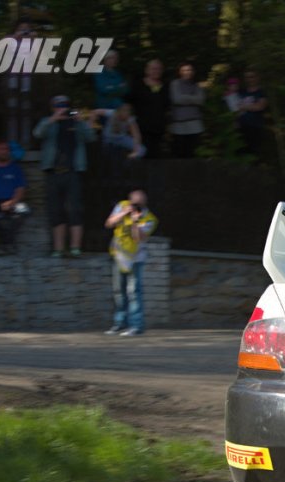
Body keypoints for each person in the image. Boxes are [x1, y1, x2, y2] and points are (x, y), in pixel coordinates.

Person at [33, 94, 96, 258]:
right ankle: (58, 249)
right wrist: (53, 119)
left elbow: (91, 137)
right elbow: (37, 133)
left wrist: (81, 122)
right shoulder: (48, 122)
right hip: (53, 172)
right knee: (56, 210)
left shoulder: (76, 123)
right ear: (52, 108)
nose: (62, 109)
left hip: (73, 172)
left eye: (65, 106)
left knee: (75, 210)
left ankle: (75, 247)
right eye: (58, 106)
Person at [104, 189, 158, 337]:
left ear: (145, 203)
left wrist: (135, 221)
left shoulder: (149, 218)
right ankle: (120, 324)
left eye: (139, 203)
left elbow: (138, 238)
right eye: (134, 202)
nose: (135, 205)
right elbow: (109, 223)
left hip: (136, 259)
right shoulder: (122, 206)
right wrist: (124, 213)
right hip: (119, 256)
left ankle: (136, 326)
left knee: (133, 292)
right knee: (119, 292)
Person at [126, 59, 169, 158]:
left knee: (156, 155)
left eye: (159, 69)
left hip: (158, 128)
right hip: (141, 128)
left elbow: (167, 106)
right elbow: (128, 103)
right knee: (143, 153)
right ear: (147, 70)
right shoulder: (138, 85)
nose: (156, 71)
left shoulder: (165, 86)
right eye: (153, 69)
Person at [169, 61, 206, 159]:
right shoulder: (175, 83)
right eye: (184, 70)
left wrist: (184, 98)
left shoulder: (197, 85)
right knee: (178, 154)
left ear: (193, 72)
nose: (187, 72)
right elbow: (177, 99)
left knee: (192, 154)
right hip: (179, 125)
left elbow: (201, 100)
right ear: (180, 72)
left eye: (189, 70)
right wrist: (193, 99)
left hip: (195, 125)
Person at [237, 70, 267, 156]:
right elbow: (235, 107)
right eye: (247, 77)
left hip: (255, 126)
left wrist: (243, 107)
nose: (249, 79)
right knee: (242, 152)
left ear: (257, 77)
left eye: (252, 77)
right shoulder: (242, 92)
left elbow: (260, 107)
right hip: (241, 126)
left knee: (255, 152)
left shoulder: (261, 92)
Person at [93, 50, 128, 119]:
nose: (114, 60)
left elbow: (125, 90)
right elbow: (102, 89)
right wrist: (118, 87)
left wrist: (111, 87)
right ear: (105, 59)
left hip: (118, 108)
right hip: (104, 108)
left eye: (116, 58)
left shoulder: (118, 74)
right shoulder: (99, 72)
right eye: (112, 58)